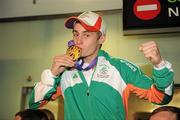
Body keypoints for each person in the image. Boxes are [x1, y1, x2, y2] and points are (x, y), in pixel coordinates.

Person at [29, 11, 174, 120]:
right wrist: (52, 74)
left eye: (86, 35)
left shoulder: (120, 68)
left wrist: (159, 64)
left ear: (101, 38)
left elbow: (162, 97)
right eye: (75, 34)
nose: (78, 41)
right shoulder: (64, 71)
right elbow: (35, 104)